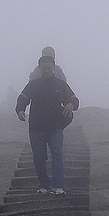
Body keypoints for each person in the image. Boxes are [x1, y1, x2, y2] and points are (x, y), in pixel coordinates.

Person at [16, 55, 79, 195]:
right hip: (37, 127)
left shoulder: (60, 84)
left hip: (55, 126)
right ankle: (44, 185)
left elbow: (74, 98)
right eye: (44, 68)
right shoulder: (33, 85)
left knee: (57, 153)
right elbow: (22, 98)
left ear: (53, 68)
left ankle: (58, 186)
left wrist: (70, 104)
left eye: (49, 68)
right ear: (40, 69)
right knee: (39, 157)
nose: (46, 70)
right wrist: (20, 110)